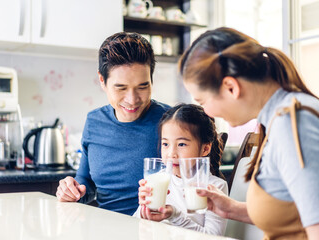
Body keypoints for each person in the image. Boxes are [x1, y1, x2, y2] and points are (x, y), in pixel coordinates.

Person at [179, 27, 319, 239]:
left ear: (231, 87)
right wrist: (230, 209)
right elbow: (295, 214)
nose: (206, 112)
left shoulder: (292, 125)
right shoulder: (278, 119)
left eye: (203, 101)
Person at [56, 32, 170, 215]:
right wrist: (73, 191)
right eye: (121, 88)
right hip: (108, 229)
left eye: (143, 86)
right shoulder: (94, 122)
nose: (132, 100)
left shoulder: (172, 121)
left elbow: (194, 183)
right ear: (102, 80)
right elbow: (86, 182)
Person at [133, 103, 228, 235]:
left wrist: (175, 215)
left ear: (205, 149)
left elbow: (213, 236)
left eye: (181, 144)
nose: (171, 153)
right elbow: (136, 226)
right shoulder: (158, 179)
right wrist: (144, 210)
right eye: (165, 144)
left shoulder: (215, 187)